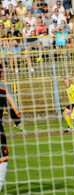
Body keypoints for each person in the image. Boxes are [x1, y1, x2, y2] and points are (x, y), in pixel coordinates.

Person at [0, 63, 25, 192]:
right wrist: (18, 122)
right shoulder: (3, 88)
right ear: (1, 73)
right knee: (3, 160)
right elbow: (13, 108)